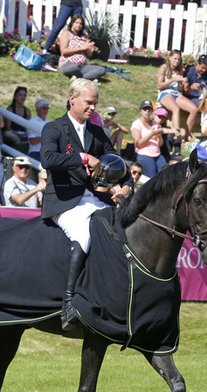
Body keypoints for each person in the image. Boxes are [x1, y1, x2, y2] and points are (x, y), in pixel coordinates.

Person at [39, 78, 127, 331]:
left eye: (95, 104)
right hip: (65, 201)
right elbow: (47, 159)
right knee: (84, 235)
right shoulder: (53, 128)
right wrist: (82, 157)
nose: (93, 108)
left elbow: (117, 163)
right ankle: (68, 305)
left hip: (95, 199)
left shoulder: (97, 132)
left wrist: (126, 186)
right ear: (72, 98)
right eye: (89, 103)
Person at [157, 50, 196, 140]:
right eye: (175, 59)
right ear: (170, 58)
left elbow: (180, 89)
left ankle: (187, 135)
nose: (177, 61)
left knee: (194, 109)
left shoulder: (179, 70)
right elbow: (159, 86)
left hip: (176, 93)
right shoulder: (163, 68)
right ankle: (177, 134)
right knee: (176, 108)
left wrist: (182, 83)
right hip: (164, 93)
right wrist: (173, 79)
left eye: (179, 59)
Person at [57, 15, 106, 81]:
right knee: (73, 68)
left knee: (101, 70)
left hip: (82, 66)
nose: (78, 25)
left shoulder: (84, 36)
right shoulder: (66, 33)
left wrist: (87, 48)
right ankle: (87, 77)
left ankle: (78, 78)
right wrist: (81, 48)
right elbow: (64, 51)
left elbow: (89, 55)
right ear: (72, 23)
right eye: (76, 22)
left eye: (81, 24)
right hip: (68, 64)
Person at [131, 100, 166, 178]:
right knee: (151, 178)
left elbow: (160, 144)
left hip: (157, 154)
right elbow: (138, 144)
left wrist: (159, 136)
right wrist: (152, 134)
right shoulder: (137, 124)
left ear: (152, 111)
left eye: (149, 109)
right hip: (144, 154)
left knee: (166, 175)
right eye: (144, 109)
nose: (147, 111)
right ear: (140, 111)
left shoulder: (155, 123)